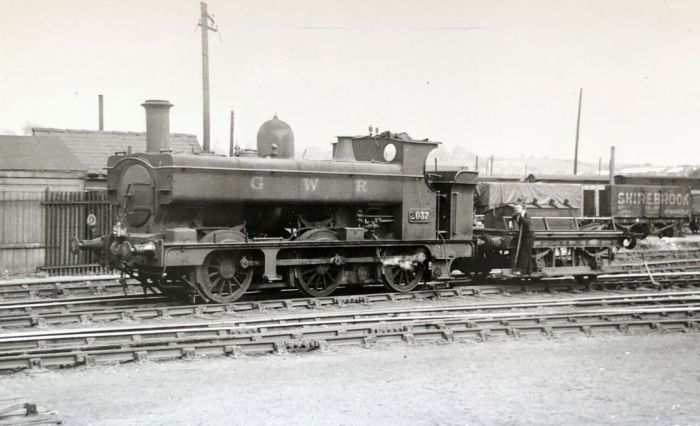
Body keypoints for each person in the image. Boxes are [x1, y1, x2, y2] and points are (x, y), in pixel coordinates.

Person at [511, 203, 535, 275]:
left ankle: (522, 270)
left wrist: (522, 216)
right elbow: (512, 217)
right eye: (515, 208)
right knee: (527, 253)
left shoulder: (526, 215)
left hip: (529, 235)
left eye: (518, 208)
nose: (516, 209)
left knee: (524, 253)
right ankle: (529, 270)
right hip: (523, 235)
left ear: (522, 208)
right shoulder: (517, 215)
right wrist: (510, 221)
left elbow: (527, 223)